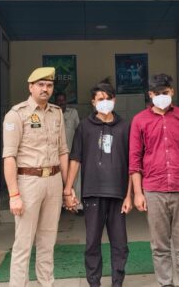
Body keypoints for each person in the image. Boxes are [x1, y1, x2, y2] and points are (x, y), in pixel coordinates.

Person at [129, 73, 179, 287]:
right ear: (150, 94)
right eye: (157, 93)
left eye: (166, 92)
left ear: (172, 92)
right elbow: (134, 159)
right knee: (159, 246)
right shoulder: (139, 120)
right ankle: (165, 283)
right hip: (154, 190)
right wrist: (138, 193)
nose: (162, 96)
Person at [2, 67, 70, 287]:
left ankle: (46, 283)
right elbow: (9, 157)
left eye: (49, 85)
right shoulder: (16, 114)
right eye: (40, 85)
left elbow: (63, 151)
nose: (45, 89)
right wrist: (14, 194)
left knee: (48, 241)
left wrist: (67, 187)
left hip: (54, 180)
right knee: (23, 243)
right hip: (28, 182)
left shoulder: (56, 113)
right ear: (30, 87)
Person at [64, 81, 133, 287]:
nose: (105, 102)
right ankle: (94, 282)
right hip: (92, 193)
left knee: (120, 244)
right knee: (92, 243)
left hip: (118, 194)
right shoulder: (84, 127)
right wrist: (68, 188)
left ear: (114, 100)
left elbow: (132, 164)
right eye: (100, 99)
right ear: (93, 102)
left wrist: (129, 195)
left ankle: (117, 282)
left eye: (108, 98)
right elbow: (75, 159)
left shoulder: (125, 127)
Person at [55, 91, 82, 210]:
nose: (61, 102)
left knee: (75, 178)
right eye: (59, 100)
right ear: (55, 102)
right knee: (58, 180)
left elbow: (79, 131)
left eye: (63, 100)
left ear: (66, 101)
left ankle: (77, 205)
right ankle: (61, 205)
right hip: (57, 154)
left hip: (72, 152)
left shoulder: (73, 113)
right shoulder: (52, 113)